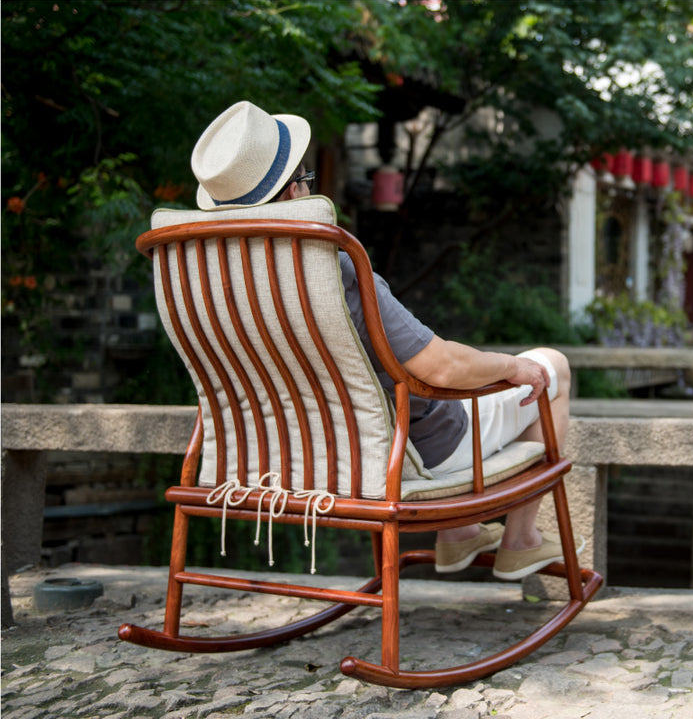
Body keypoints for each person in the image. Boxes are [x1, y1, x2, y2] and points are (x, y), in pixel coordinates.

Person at [190, 101, 583, 581]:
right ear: (295, 191)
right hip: (410, 453)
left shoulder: (209, 281)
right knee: (550, 365)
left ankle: (459, 534)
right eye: (308, 179)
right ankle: (521, 541)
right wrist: (509, 366)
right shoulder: (328, 270)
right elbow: (439, 369)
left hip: (281, 464)